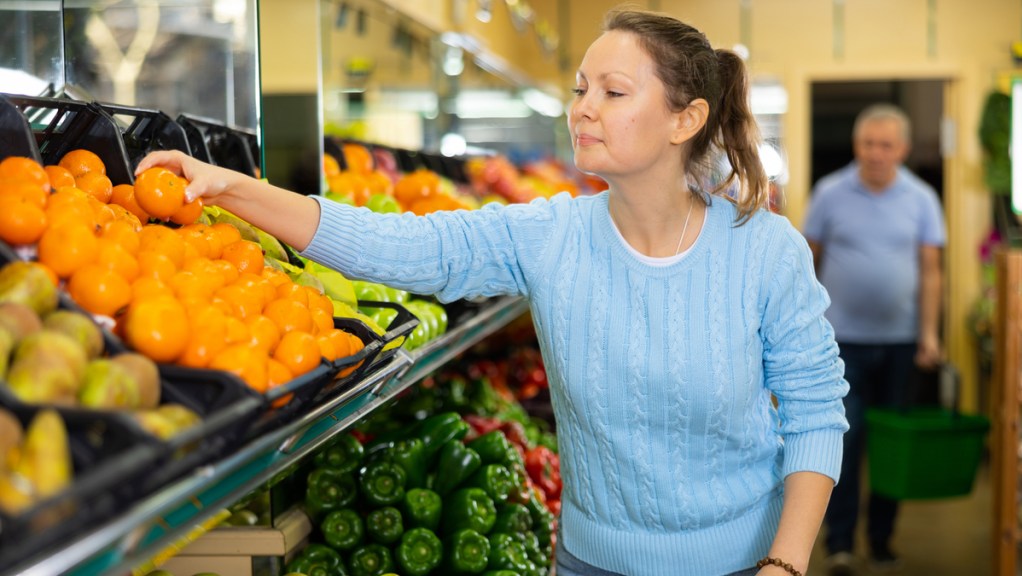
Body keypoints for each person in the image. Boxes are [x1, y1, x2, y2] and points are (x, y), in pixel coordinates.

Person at [138, 9, 848, 576]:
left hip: (745, 562)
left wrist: (785, 564)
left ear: (684, 120)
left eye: (613, 93)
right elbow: (397, 247)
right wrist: (229, 185)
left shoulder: (762, 250)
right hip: (587, 562)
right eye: (579, 89)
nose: (583, 110)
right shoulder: (551, 235)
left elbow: (816, 410)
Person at [803, 103, 946, 575]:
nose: (876, 153)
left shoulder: (922, 198)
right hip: (840, 342)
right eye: (868, 143)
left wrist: (928, 334)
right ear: (855, 145)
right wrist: (806, 329)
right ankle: (840, 542)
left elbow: (931, 271)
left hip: (902, 342)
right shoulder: (829, 193)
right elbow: (807, 265)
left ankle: (882, 539)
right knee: (844, 442)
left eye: (886, 145)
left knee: (889, 447)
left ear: (902, 149)